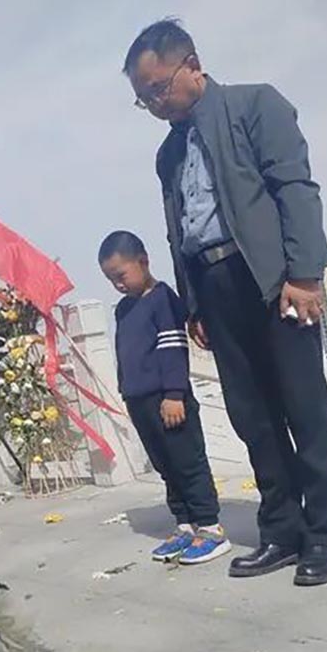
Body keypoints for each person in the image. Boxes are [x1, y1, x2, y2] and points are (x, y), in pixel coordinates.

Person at [122, 19, 327, 586]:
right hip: (215, 289)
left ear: (192, 65)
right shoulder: (168, 154)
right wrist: (194, 305)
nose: (154, 104)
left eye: (158, 88)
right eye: (143, 98)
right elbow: (178, 230)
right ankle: (282, 531)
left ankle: (326, 535)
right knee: (253, 417)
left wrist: (304, 274)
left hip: (272, 280)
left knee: (304, 407)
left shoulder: (254, 106)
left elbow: (294, 188)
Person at [99, 230, 231, 566]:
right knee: (165, 466)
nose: (117, 285)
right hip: (139, 401)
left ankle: (210, 528)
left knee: (187, 462)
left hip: (168, 400)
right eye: (110, 280)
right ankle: (184, 524)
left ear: (143, 262)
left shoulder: (163, 300)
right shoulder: (123, 310)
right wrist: (127, 392)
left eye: (121, 275)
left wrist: (174, 394)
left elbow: (173, 349)